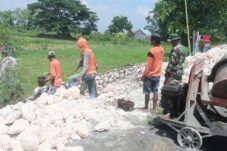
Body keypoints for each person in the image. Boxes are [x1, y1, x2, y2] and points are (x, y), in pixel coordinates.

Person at [163, 33, 187, 118]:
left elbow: (172, 63)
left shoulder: (175, 49)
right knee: (177, 91)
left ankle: (170, 112)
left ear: (175, 41)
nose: (171, 43)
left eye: (171, 41)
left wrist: (167, 73)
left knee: (169, 91)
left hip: (173, 72)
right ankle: (176, 110)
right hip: (180, 72)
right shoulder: (184, 48)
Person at [140, 33, 164, 112]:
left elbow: (148, 65)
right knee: (155, 91)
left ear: (154, 40)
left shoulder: (151, 51)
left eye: (151, 40)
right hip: (158, 74)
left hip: (150, 75)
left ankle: (146, 107)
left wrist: (144, 75)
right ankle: (154, 108)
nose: (150, 41)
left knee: (147, 91)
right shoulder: (161, 49)